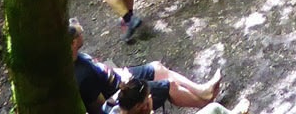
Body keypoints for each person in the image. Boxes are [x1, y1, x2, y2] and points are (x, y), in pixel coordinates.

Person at [69, 19, 225, 114]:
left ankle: (202, 91)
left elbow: (101, 69)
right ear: (73, 42)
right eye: (80, 33)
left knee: (157, 68)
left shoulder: (77, 56)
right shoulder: (83, 77)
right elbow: (102, 109)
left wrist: (118, 72)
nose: (83, 33)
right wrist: (125, 87)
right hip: (121, 93)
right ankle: (205, 104)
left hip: (119, 77)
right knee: (170, 86)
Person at [108, 78, 248, 114]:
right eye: (148, 97)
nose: (150, 97)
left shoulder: (115, 110)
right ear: (141, 106)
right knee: (214, 109)